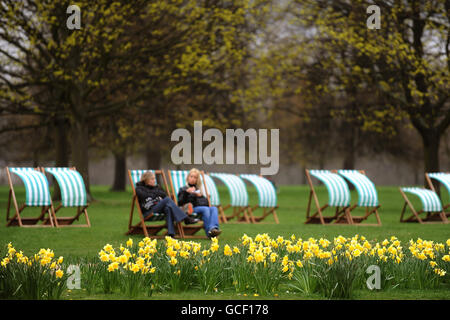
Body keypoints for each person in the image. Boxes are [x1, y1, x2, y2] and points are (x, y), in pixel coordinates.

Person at [135, 171, 199, 237]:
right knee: (167, 200)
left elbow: (164, 194)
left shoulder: (157, 187)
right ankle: (186, 218)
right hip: (148, 211)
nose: (154, 181)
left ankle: (171, 234)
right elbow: (144, 195)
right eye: (152, 179)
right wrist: (155, 193)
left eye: (154, 179)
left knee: (168, 208)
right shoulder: (139, 188)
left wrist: (153, 193)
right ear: (146, 180)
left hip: (158, 207)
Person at [177, 168, 221, 238]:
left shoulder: (198, 190)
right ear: (188, 177)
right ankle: (210, 233)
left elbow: (206, 203)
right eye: (191, 176)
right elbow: (179, 202)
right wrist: (186, 193)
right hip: (188, 209)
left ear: (197, 180)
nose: (193, 179)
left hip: (199, 207)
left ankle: (213, 228)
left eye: (195, 177)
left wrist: (198, 196)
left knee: (214, 208)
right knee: (205, 209)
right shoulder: (183, 189)